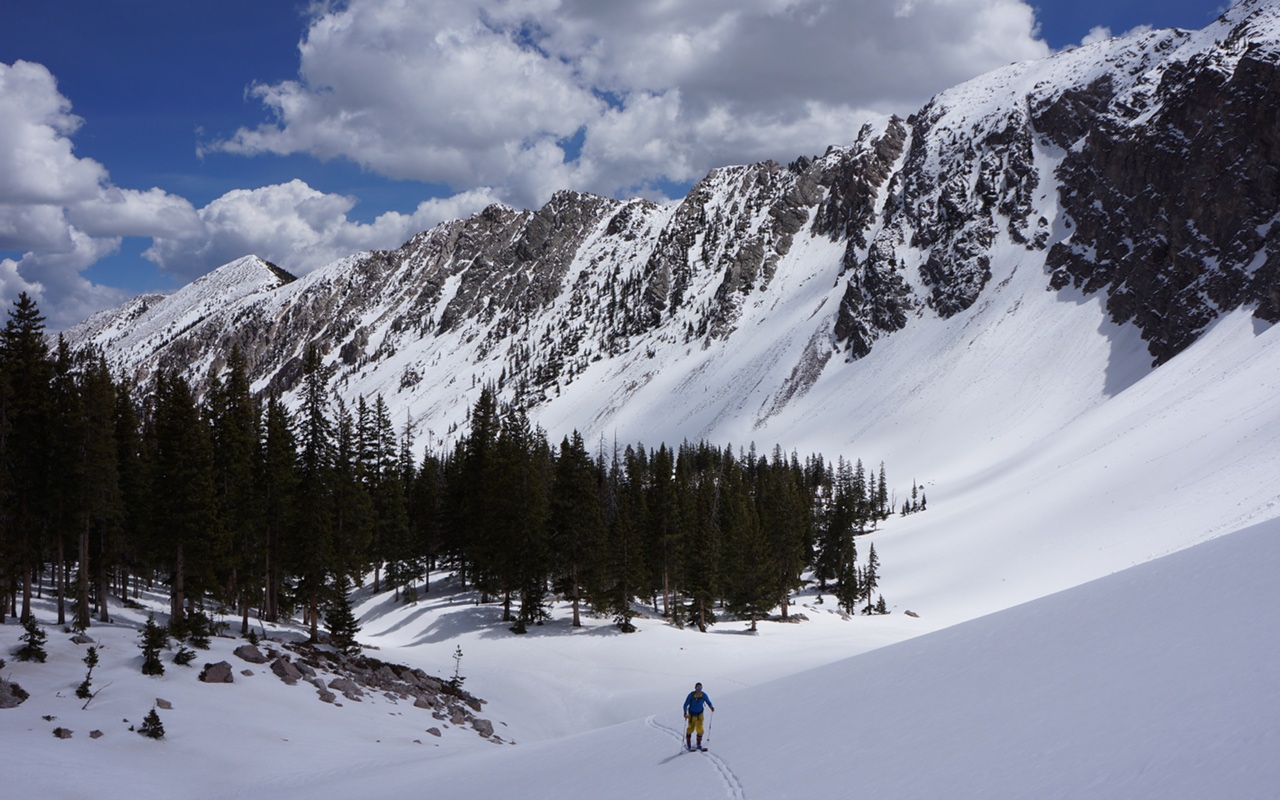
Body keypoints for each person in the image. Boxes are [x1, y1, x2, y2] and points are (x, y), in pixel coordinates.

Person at [682, 681, 715, 751]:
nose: (699, 689)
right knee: (691, 728)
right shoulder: (691, 695)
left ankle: (699, 744)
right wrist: (685, 713)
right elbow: (685, 704)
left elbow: (708, 701)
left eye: (700, 688)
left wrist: (711, 707)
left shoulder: (703, 695)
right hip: (691, 714)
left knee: (700, 729)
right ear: (695, 688)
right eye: (698, 688)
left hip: (700, 714)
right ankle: (688, 744)